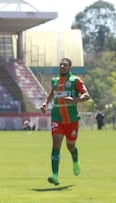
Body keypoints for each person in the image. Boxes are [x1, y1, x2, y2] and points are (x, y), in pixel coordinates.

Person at [40, 57, 90, 186]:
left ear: (70, 68)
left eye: (65, 65)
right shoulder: (55, 81)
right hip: (57, 117)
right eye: (61, 65)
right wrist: (45, 103)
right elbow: (52, 93)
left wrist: (74, 100)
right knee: (56, 143)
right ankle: (55, 175)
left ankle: (75, 160)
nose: (62, 67)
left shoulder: (76, 80)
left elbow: (86, 95)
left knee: (70, 146)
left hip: (72, 119)